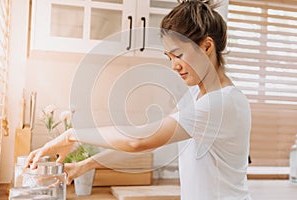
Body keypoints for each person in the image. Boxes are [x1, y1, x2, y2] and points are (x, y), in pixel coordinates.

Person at [26, 0, 252, 199]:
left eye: (179, 55)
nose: (174, 66)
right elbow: (149, 142)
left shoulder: (222, 104)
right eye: (169, 57)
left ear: (207, 46)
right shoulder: (195, 94)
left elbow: (139, 141)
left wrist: (71, 135)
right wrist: (84, 166)